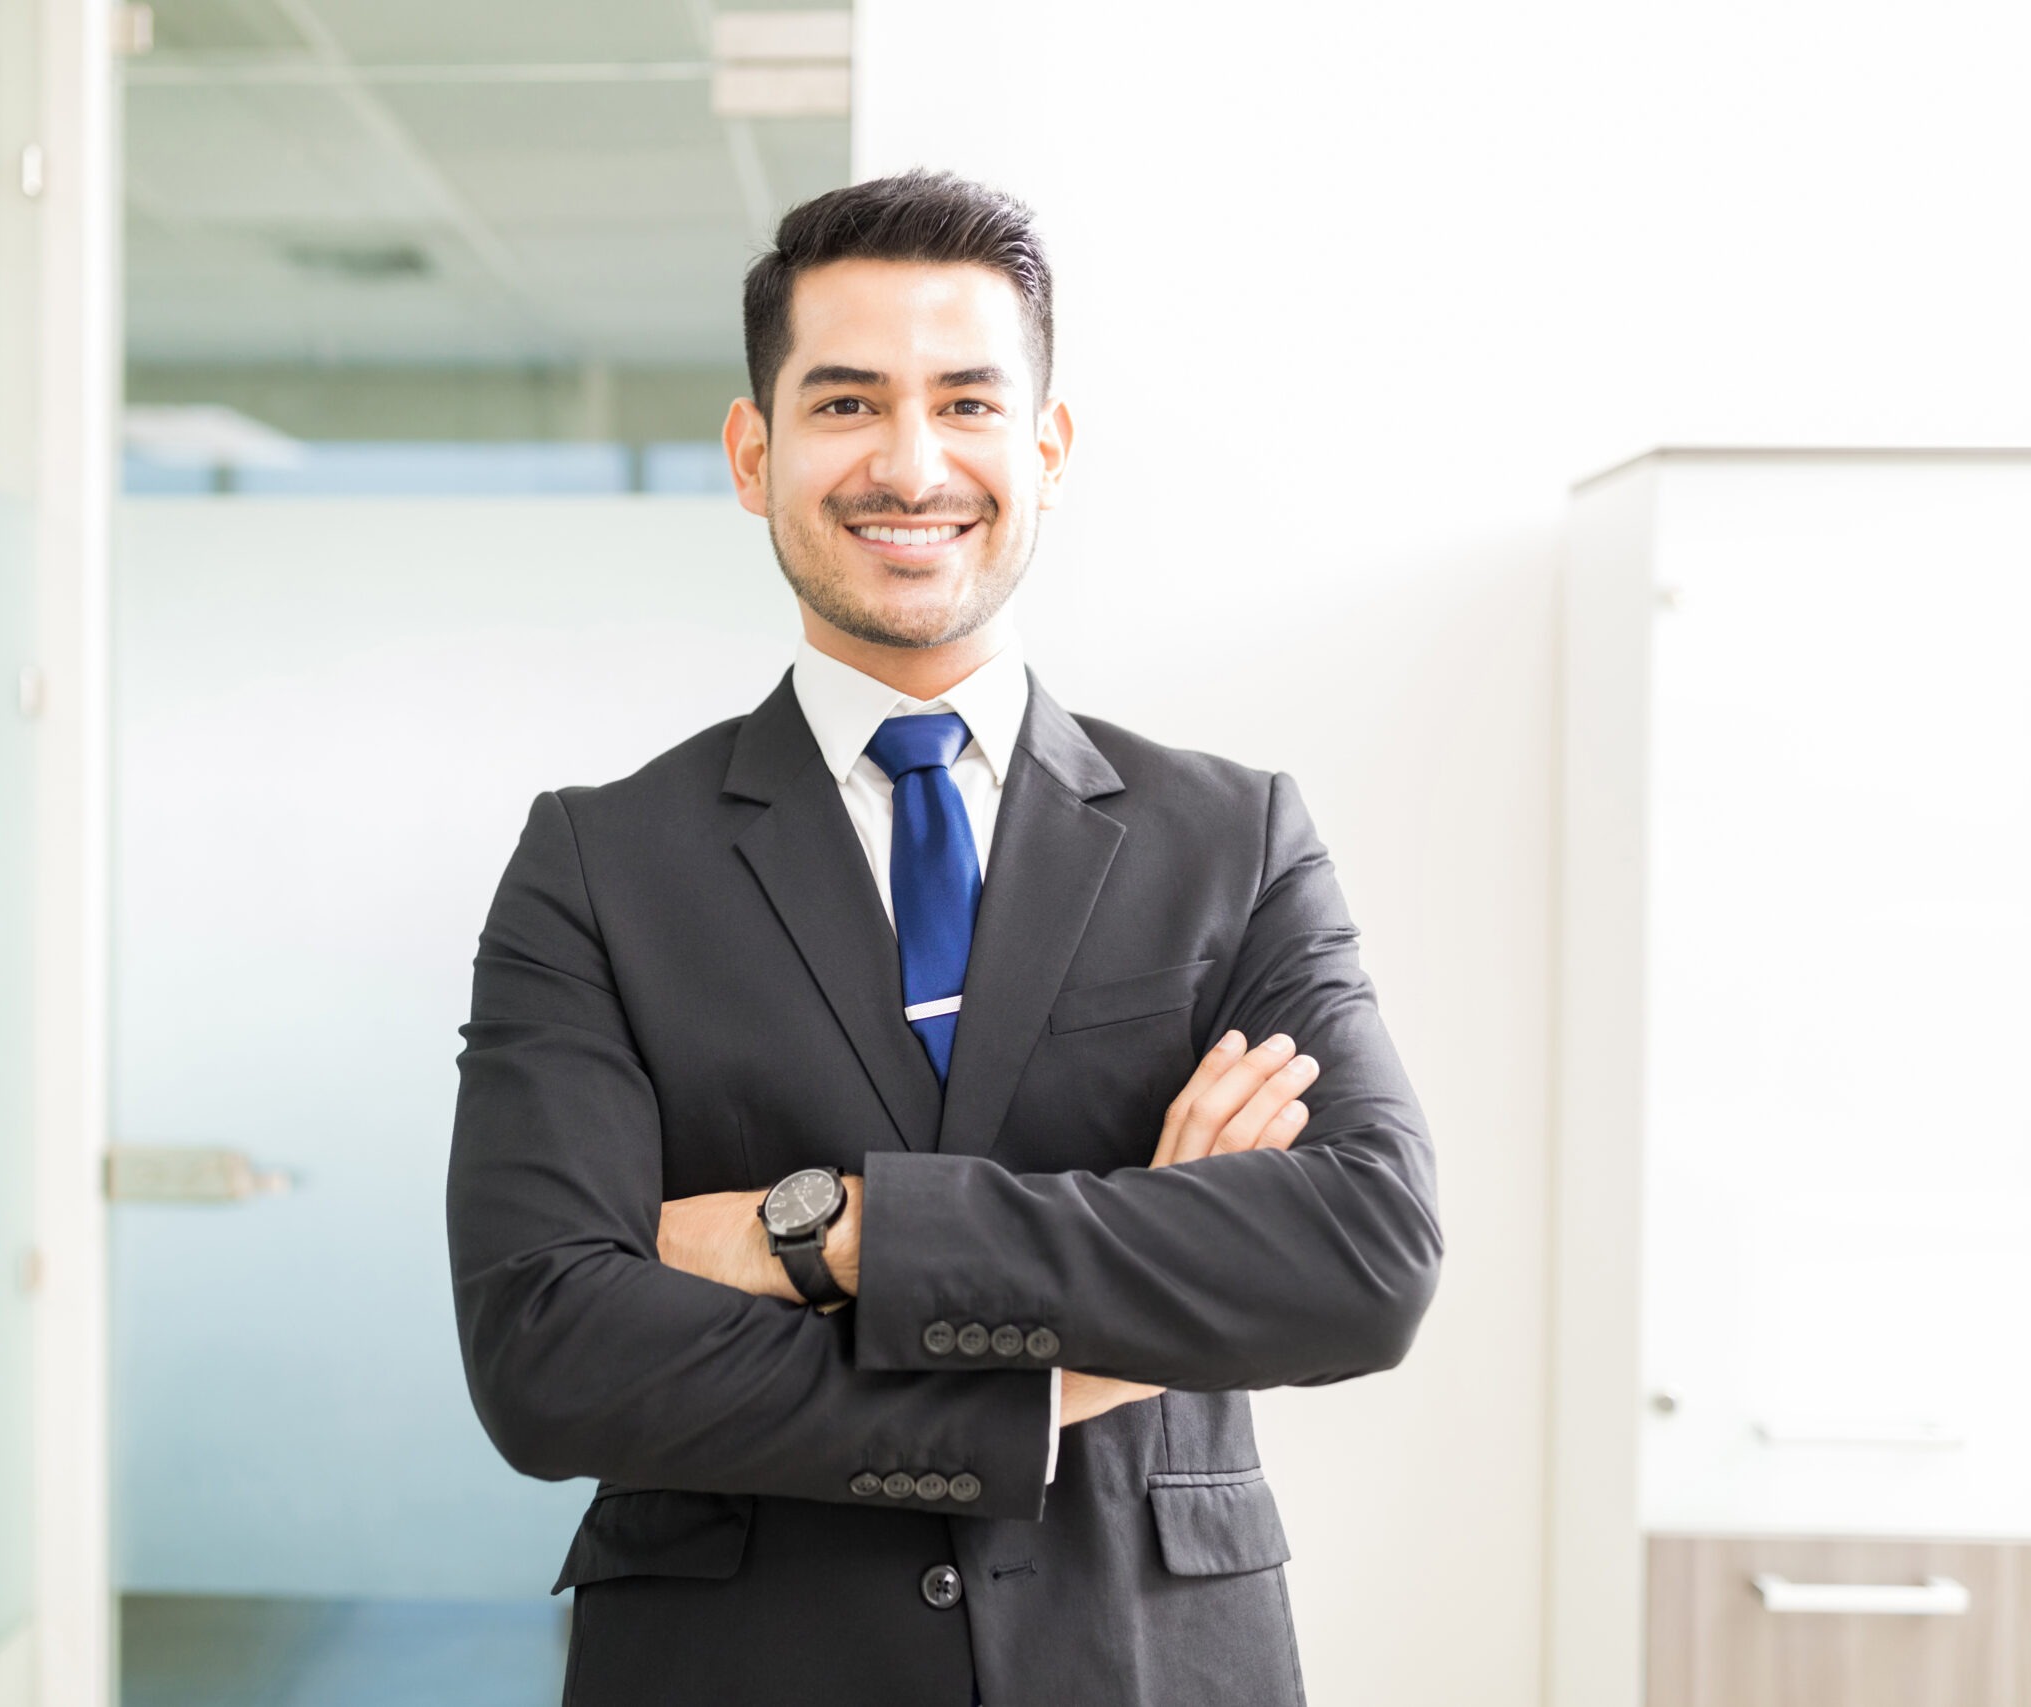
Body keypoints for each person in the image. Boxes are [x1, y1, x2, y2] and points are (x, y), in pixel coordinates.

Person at [446, 170, 1441, 1707]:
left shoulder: (1229, 842)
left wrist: (826, 1230)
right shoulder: (597, 863)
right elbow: (549, 1353)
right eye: (847, 403)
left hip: (1149, 1662)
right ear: (752, 451)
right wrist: (1094, 1331)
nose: (911, 464)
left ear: (1044, 450)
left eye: (969, 404)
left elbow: (1363, 1255)